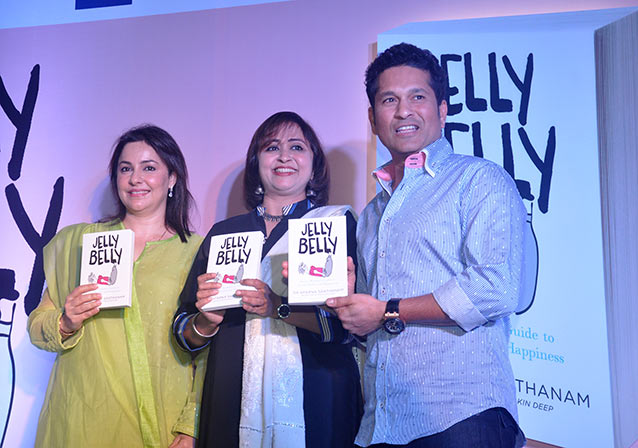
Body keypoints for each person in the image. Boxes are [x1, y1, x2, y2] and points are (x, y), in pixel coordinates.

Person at [326, 43, 527, 447]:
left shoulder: (478, 179)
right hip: (381, 424)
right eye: (389, 100)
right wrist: (344, 301)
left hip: (461, 417)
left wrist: (386, 310)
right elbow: (368, 324)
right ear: (372, 117)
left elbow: (495, 289)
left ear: (442, 108)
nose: (403, 111)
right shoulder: (370, 213)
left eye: (417, 96)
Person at [173, 111, 362, 448]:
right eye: (272, 147)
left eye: (297, 147)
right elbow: (184, 334)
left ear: (314, 164)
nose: (284, 156)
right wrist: (205, 321)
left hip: (317, 401)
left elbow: (347, 329)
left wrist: (279, 308)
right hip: (230, 401)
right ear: (256, 162)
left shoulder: (335, 225)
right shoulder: (223, 233)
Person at [27, 125, 205, 448]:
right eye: (126, 169)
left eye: (149, 168)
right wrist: (65, 322)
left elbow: (207, 350)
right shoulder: (77, 243)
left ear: (172, 178)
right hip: (80, 420)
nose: (136, 179)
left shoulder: (196, 251)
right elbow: (37, 326)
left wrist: (191, 424)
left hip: (163, 422)